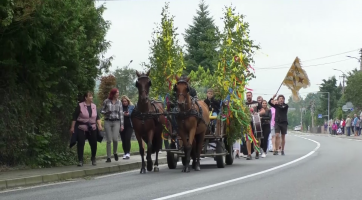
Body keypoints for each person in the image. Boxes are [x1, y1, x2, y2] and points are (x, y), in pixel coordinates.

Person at [70, 92, 103, 167]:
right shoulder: (80, 105)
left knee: (94, 143)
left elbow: (97, 117)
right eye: (90, 96)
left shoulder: (94, 106)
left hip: (92, 127)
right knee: (81, 143)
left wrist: (100, 125)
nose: (92, 98)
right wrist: (72, 127)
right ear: (86, 98)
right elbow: (74, 117)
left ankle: (93, 158)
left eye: (92, 96)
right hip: (82, 127)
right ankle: (80, 160)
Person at [101, 88, 124, 163]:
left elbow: (121, 114)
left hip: (116, 121)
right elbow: (102, 110)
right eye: (117, 92)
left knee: (115, 139)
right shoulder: (106, 101)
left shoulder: (119, 102)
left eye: (118, 92)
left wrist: (122, 125)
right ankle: (108, 157)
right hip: (107, 121)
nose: (118, 94)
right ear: (113, 93)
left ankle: (115, 152)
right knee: (108, 140)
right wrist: (106, 112)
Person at [245, 92, 265, 160]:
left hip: (256, 122)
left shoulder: (256, 103)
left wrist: (258, 113)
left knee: (257, 138)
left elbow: (263, 110)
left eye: (249, 95)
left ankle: (257, 152)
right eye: (247, 95)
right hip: (248, 123)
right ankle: (249, 154)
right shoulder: (244, 104)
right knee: (248, 138)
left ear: (252, 96)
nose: (248, 96)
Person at [120, 95, 135, 160]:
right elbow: (118, 114)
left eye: (125, 101)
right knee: (123, 140)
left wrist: (128, 114)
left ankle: (128, 153)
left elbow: (132, 113)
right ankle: (125, 153)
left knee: (127, 138)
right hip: (122, 125)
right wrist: (123, 113)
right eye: (123, 101)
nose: (124, 102)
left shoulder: (131, 107)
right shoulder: (120, 107)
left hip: (129, 125)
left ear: (128, 101)